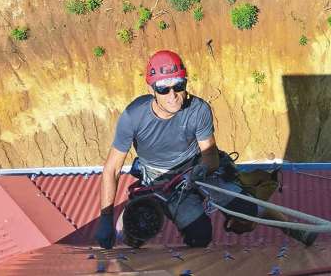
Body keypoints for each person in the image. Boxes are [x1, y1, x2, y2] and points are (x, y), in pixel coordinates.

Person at [95, 49, 316, 249]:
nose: (172, 95)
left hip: (197, 170)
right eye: (163, 89)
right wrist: (105, 218)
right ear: (151, 89)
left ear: (185, 83)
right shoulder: (134, 116)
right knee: (146, 230)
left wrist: (202, 170)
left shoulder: (198, 110)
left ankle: (295, 230)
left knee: (246, 208)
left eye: (178, 86)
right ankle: (129, 233)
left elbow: (209, 154)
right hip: (158, 181)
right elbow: (112, 169)